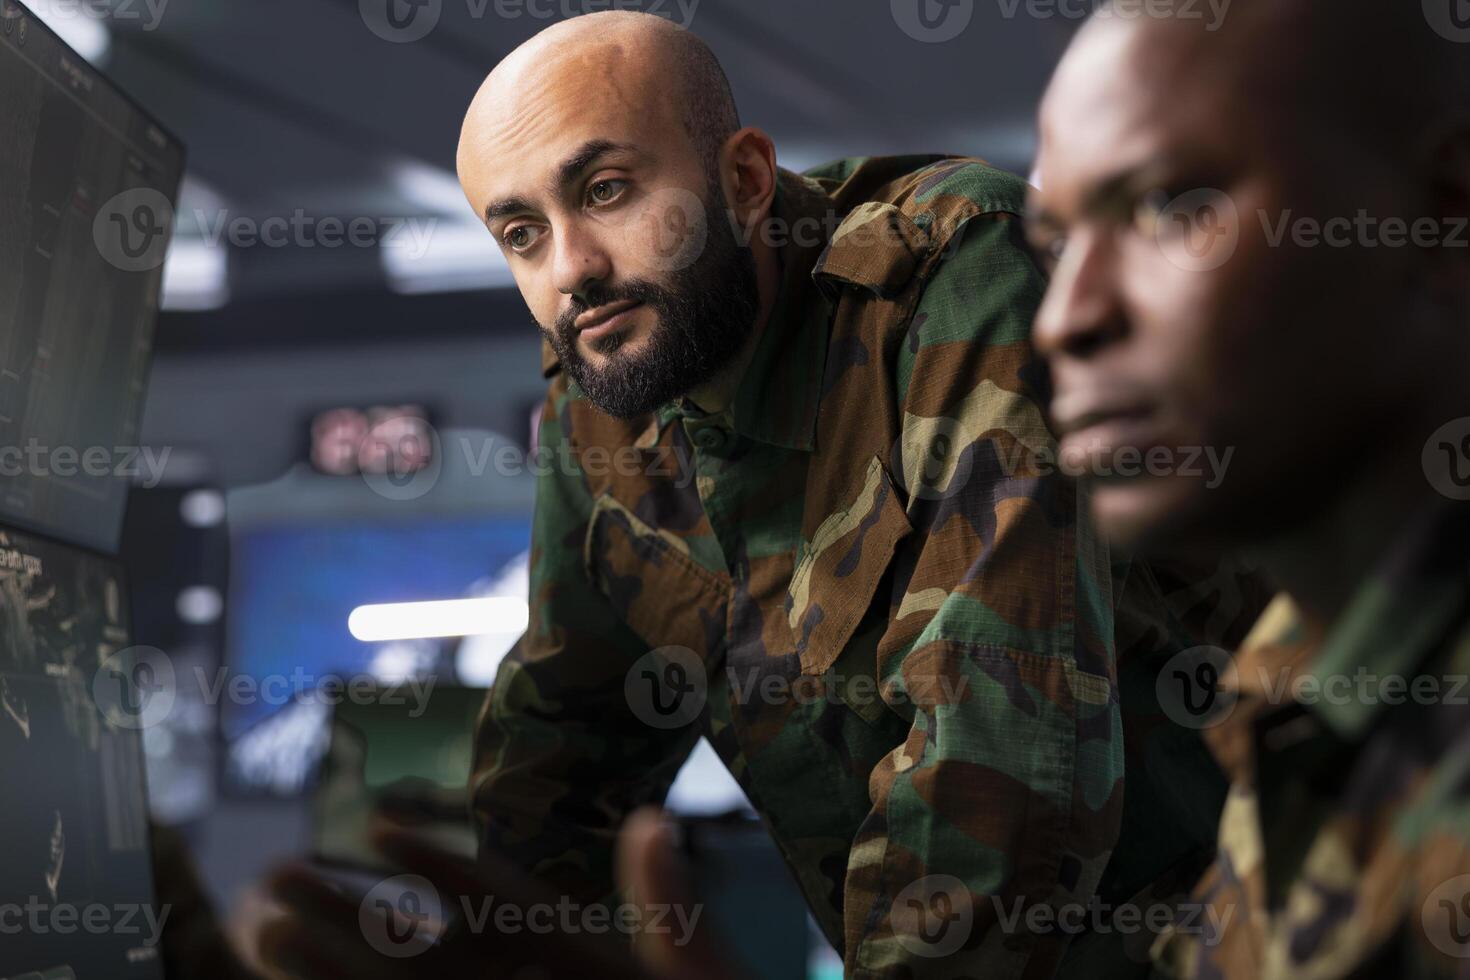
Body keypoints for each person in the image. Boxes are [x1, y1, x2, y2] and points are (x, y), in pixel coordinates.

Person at [262, 10, 1264, 977]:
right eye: (522, 231)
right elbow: (560, 764)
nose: (571, 269)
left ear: (742, 179)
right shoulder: (609, 383)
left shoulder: (951, 279)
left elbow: (999, 772)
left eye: (607, 190)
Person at [1026, 1, 1470, 975]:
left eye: (1171, 206)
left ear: (1443, 208)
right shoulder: (1288, 679)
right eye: (1055, 244)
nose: (1066, 318)